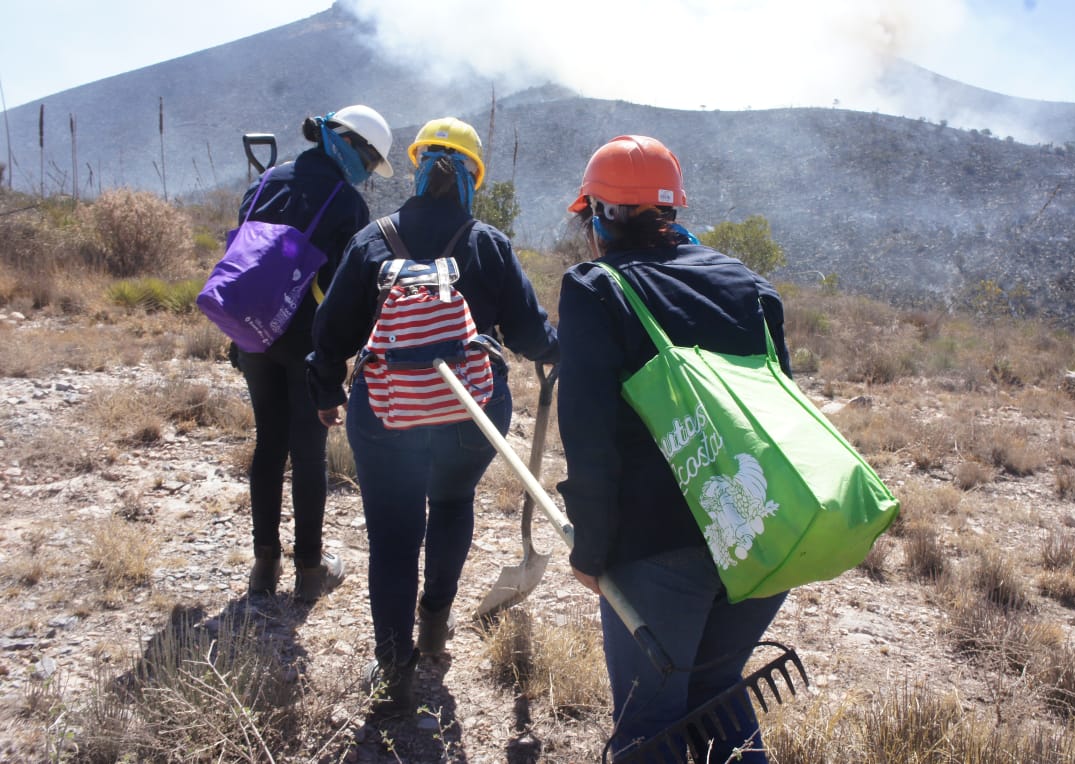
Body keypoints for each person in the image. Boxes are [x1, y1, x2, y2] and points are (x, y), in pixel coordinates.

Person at [306, 116, 560, 712]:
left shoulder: (373, 239)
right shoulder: (487, 244)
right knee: (451, 506)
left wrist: (326, 391)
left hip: (386, 414)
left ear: (418, 169)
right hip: (471, 414)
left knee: (393, 538)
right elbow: (532, 335)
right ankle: (435, 627)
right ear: (473, 176)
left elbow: (331, 330)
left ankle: (393, 664)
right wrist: (562, 345)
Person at [556, 135, 791, 762]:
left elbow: (590, 440)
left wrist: (591, 550)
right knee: (715, 687)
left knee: (649, 725)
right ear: (670, 211)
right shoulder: (750, 285)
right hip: (762, 535)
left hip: (659, 551)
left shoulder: (595, 289)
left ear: (598, 215)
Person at [238, 104, 396, 601]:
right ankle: (309, 568)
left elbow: (241, 265)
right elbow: (349, 291)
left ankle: (264, 564)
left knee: (268, 445)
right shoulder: (346, 204)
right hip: (306, 344)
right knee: (308, 453)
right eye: (369, 161)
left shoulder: (264, 183)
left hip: (254, 336)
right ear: (347, 143)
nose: (368, 173)